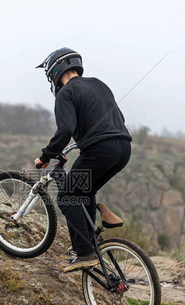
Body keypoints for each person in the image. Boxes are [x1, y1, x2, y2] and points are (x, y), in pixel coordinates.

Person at [34, 47, 132, 272]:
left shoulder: (65, 93)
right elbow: (117, 117)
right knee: (83, 191)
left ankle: (85, 252)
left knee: (67, 196)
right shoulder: (99, 84)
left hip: (100, 150)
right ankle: (91, 239)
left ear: (55, 71)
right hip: (123, 149)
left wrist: (46, 155)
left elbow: (65, 129)